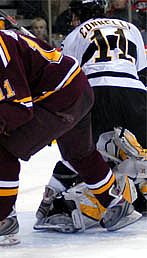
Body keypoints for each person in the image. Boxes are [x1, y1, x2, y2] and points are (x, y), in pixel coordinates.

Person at [0, 5, 141, 247]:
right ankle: (117, 204)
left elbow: (19, 107)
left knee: (1, 151)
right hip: (76, 90)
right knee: (79, 153)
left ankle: (3, 221)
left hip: (60, 97)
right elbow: (0, 101)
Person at [35, 0, 147, 231]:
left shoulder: (75, 34)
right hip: (134, 90)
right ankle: (139, 193)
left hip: (94, 91)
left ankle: (60, 201)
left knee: (86, 153)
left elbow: (66, 79)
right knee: (137, 150)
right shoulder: (131, 28)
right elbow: (143, 72)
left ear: (77, 16)